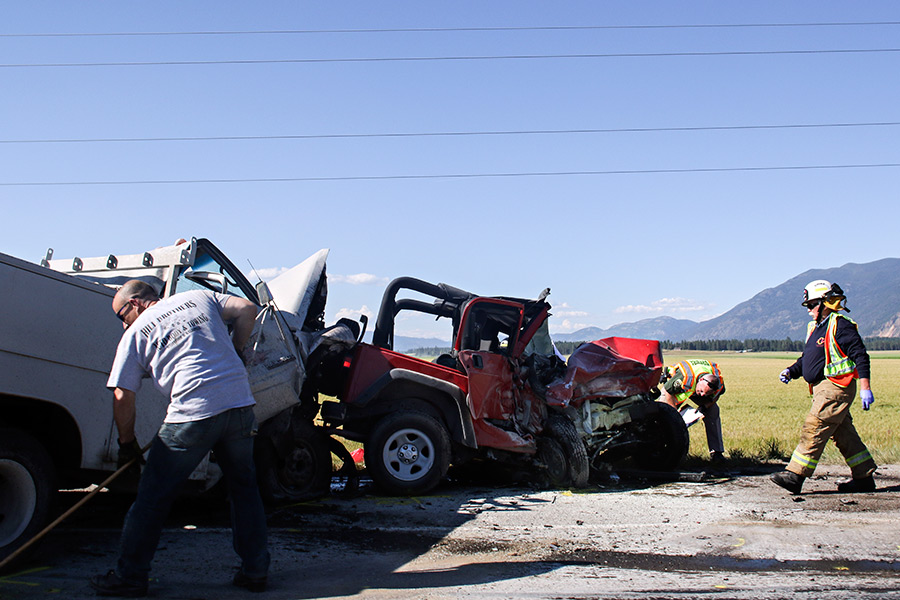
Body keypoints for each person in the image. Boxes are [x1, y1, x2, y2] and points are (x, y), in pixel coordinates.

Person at [90, 280, 270, 597]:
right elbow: (247, 309)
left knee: (151, 497)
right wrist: (238, 350)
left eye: (121, 314)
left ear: (134, 303)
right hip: (239, 404)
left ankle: (130, 576)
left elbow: (122, 395)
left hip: (193, 413)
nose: (122, 322)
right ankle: (255, 571)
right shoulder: (198, 297)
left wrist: (127, 445)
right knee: (244, 490)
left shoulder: (134, 334)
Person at [770, 280, 877, 495]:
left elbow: (860, 355)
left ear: (825, 302)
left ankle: (795, 475)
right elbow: (808, 359)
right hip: (821, 388)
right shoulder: (816, 328)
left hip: (837, 387)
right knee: (844, 434)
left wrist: (865, 385)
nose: (808, 310)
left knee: (815, 426)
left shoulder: (840, 324)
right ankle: (864, 476)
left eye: (811, 305)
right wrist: (791, 371)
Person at [659, 359, 726, 462]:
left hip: (693, 387)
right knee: (663, 415)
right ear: (701, 380)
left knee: (713, 411)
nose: (703, 395)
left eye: (707, 393)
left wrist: (706, 406)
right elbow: (668, 392)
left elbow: (716, 396)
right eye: (702, 391)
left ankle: (717, 453)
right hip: (675, 389)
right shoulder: (685, 377)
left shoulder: (718, 383)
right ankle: (663, 453)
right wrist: (674, 414)